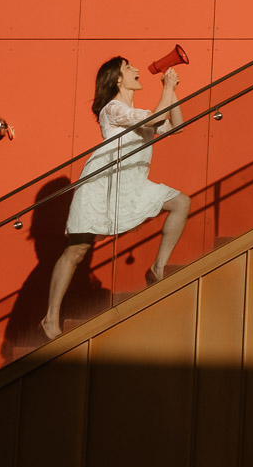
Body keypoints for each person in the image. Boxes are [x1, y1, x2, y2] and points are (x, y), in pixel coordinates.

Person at [41, 56, 190, 340]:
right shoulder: (113, 108)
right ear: (118, 79)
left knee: (181, 202)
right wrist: (167, 88)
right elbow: (158, 118)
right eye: (128, 67)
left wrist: (172, 90)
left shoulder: (142, 113)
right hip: (102, 182)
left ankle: (157, 269)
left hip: (133, 183)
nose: (136, 69)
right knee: (77, 250)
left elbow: (177, 125)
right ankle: (50, 319)